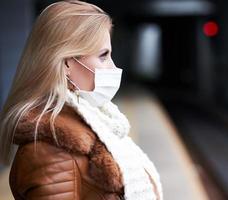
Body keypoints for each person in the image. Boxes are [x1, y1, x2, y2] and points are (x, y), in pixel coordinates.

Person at [0, 1, 163, 199]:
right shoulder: (51, 151)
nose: (112, 67)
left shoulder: (101, 124)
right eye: (103, 56)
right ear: (67, 63)